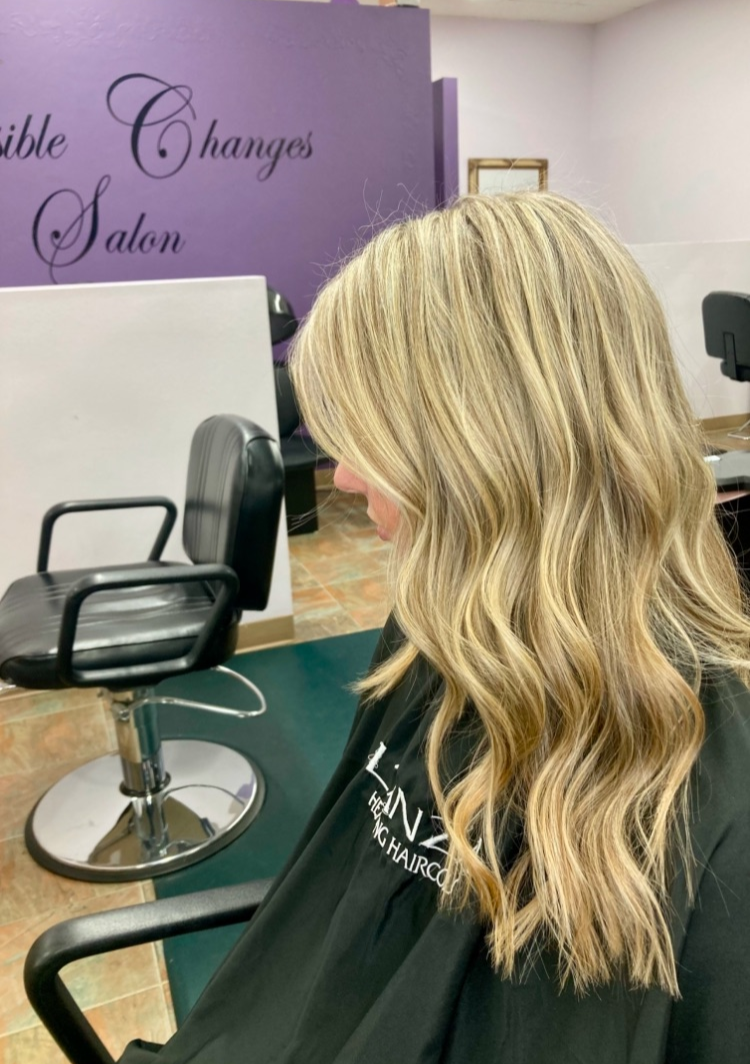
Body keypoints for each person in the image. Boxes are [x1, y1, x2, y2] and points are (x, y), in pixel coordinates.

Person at [121, 193, 750, 1063]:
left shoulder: (723, 821)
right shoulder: (433, 634)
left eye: (374, 441)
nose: (341, 477)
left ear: (480, 453)